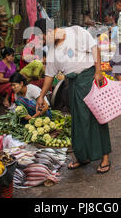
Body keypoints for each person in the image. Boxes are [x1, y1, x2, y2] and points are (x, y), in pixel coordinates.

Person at [35, 23, 111, 174]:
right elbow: (49, 76)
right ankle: (82, 157)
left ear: (50, 31)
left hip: (89, 78)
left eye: (43, 37)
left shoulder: (76, 32)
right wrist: (41, 96)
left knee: (97, 117)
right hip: (73, 85)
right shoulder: (52, 52)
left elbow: (95, 49)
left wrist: (98, 71)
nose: (43, 42)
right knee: (77, 121)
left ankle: (105, 158)